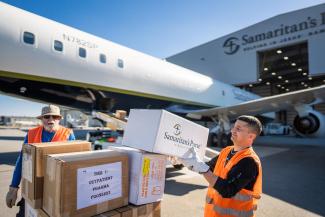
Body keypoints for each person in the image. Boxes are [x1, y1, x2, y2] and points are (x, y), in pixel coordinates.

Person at [180, 115, 263, 217]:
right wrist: (182, 161)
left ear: (251, 136)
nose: (232, 130)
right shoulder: (227, 151)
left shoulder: (249, 161)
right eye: (234, 127)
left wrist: (202, 168)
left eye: (238, 129)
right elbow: (207, 166)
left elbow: (227, 190)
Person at [5, 105, 75, 217]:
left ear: (59, 119)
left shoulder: (68, 134)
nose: (51, 120)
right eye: (47, 117)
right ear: (42, 119)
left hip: (55, 188)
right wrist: (13, 188)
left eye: (55, 117)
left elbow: (72, 165)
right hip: (33, 186)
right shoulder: (31, 133)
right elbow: (22, 160)